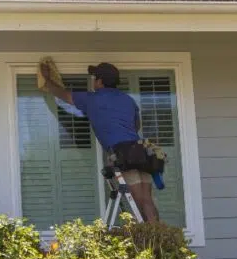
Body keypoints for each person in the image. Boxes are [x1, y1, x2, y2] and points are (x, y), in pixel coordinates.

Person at [38, 61, 160, 222]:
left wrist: (48, 80)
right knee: (147, 199)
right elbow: (136, 126)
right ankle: (160, 234)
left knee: (137, 201)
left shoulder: (92, 99)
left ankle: (150, 236)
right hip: (142, 151)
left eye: (95, 78)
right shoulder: (128, 100)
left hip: (125, 154)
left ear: (100, 81)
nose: (93, 81)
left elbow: (62, 95)